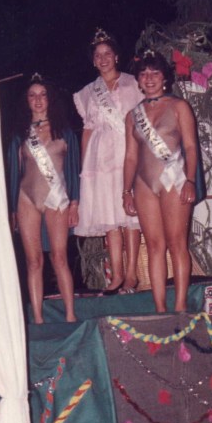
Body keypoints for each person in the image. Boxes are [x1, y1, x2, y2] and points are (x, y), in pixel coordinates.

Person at [122, 51, 199, 313]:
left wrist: (190, 180)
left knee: (177, 243)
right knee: (155, 246)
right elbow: (130, 157)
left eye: (155, 73)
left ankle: (180, 306)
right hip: (143, 185)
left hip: (174, 180)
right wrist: (126, 191)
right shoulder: (132, 115)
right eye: (144, 74)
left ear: (165, 77)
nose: (149, 78)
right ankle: (160, 309)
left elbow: (191, 146)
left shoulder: (179, 107)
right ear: (138, 80)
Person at [73, 29, 144, 294]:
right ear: (93, 61)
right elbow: (87, 130)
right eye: (98, 55)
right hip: (100, 158)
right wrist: (85, 166)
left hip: (128, 152)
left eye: (107, 53)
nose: (103, 59)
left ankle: (132, 274)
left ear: (116, 56)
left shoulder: (133, 83)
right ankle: (116, 275)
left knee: (129, 216)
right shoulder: (87, 93)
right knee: (109, 218)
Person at [8, 74, 80, 324]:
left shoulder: (65, 131)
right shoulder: (20, 134)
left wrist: (75, 202)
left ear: (50, 99)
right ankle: (38, 319)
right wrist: (12, 209)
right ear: (26, 100)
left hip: (57, 199)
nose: (38, 100)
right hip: (26, 199)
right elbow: (14, 172)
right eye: (32, 95)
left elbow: (73, 169)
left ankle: (70, 315)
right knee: (33, 261)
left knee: (59, 257)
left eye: (43, 94)